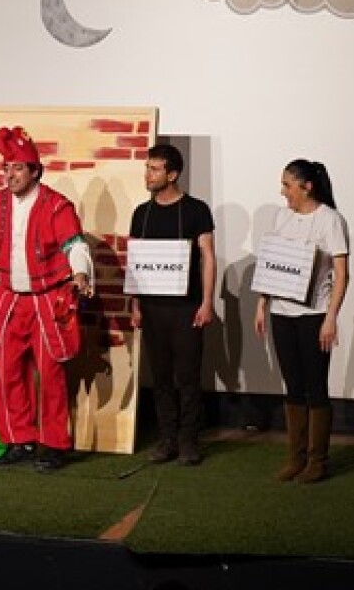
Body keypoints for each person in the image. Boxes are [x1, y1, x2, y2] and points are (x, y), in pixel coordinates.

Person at [0, 126, 94, 472]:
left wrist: (81, 273)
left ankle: (53, 445)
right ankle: (17, 439)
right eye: (6, 168)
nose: (9, 175)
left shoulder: (56, 205)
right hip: (9, 299)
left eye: (18, 168)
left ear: (35, 171)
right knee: (6, 372)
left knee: (51, 374)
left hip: (48, 300)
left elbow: (75, 245)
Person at [253, 158, 349, 483]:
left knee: (315, 386)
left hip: (314, 315)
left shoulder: (330, 220)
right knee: (293, 385)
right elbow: (271, 261)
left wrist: (331, 318)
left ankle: (317, 461)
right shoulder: (282, 217)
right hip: (281, 313)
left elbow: (342, 275)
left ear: (306, 187)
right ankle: (296, 458)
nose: (283, 192)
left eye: (287, 185)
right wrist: (262, 303)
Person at [128, 143, 216, 467]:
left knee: (188, 377)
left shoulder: (196, 210)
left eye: (154, 169)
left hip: (186, 307)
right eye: (147, 168)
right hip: (152, 308)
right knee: (161, 377)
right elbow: (135, 261)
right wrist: (135, 305)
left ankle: (189, 441)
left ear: (173, 174)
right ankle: (167, 440)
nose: (147, 175)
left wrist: (207, 302)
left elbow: (208, 257)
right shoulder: (142, 213)